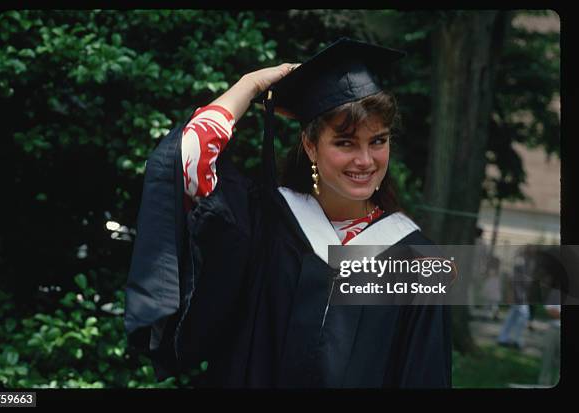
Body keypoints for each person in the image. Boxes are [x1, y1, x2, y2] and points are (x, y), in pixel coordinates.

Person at [124, 38, 451, 388]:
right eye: (345, 142)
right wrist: (249, 86)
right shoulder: (267, 221)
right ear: (310, 145)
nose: (365, 161)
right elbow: (188, 158)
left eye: (378, 141)